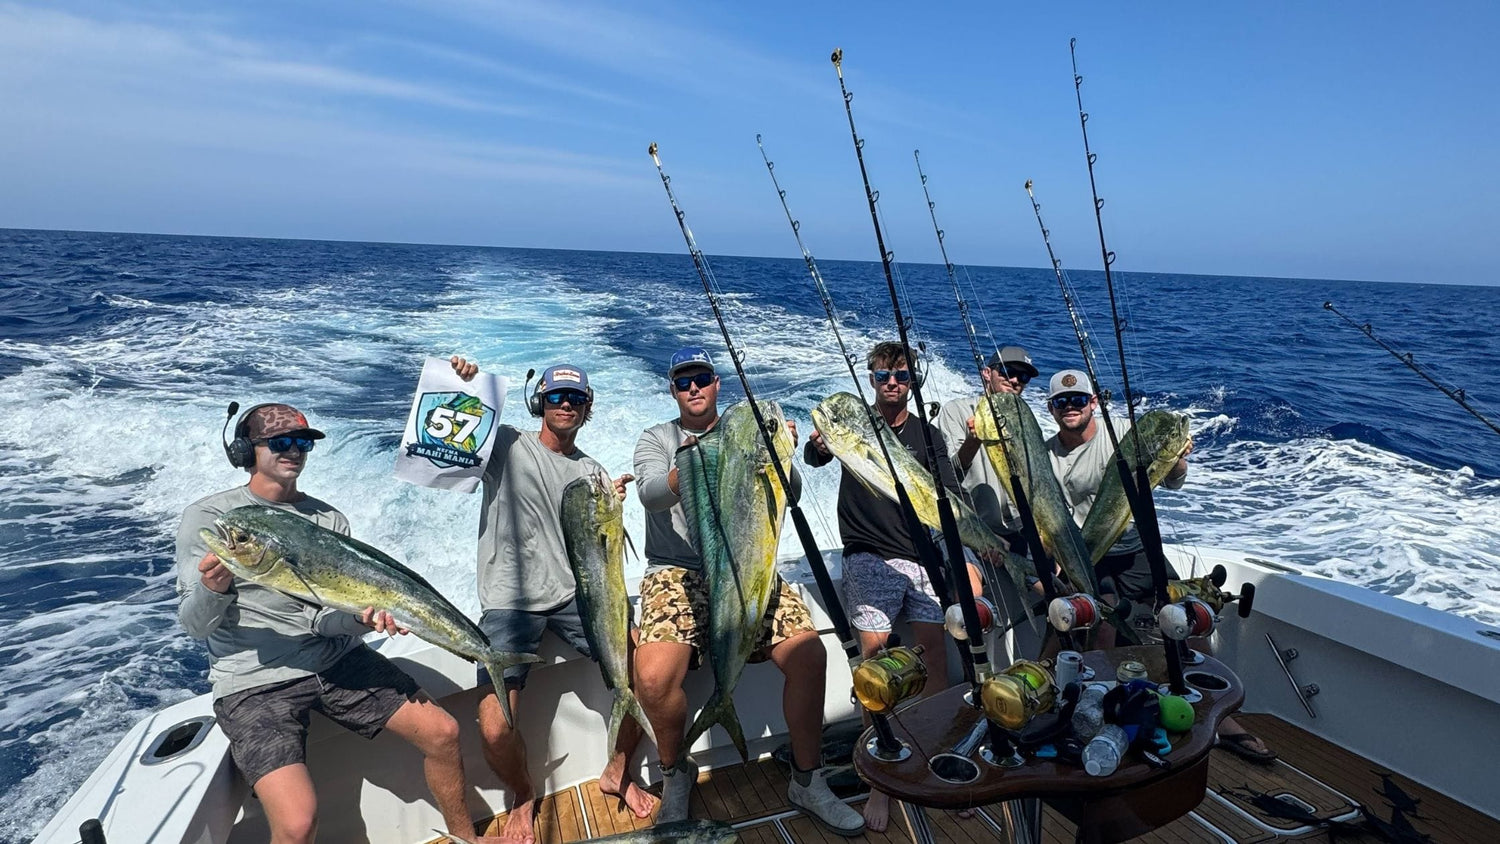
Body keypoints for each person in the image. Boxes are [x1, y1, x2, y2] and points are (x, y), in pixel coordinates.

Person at [176, 403, 502, 844]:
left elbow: (325, 621)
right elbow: (195, 626)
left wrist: (363, 621)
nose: (294, 451)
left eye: (303, 443)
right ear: (246, 451)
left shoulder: (328, 520)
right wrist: (213, 589)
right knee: (297, 823)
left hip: (336, 659)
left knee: (443, 732)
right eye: (280, 443)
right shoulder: (211, 520)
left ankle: (468, 839)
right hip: (254, 679)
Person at [631, 347, 864, 836]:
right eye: (682, 382)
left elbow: (792, 491)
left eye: (701, 379)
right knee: (652, 677)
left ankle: (807, 778)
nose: (693, 388)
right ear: (673, 391)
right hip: (678, 572)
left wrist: (777, 452)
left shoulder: (754, 430)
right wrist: (694, 466)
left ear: (718, 385)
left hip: (748, 565)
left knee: (809, 657)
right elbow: (650, 493)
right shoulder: (658, 438)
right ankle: (676, 774)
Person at [449, 357, 655, 844]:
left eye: (576, 398)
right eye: (557, 397)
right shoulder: (505, 446)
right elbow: (454, 436)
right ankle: (522, 795)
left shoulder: (593, 471)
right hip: (509, 602)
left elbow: (598, 556)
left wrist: (610, 507)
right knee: (496, 728)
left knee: (648, 674)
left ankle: (618, 769)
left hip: (576, 596)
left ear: (587, 408)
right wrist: (465, 385)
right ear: (539, 402)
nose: (566, 404)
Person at [1043, 369, 1275, 764]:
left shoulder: (1124, 435)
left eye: (1079, 399)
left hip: (1136, 544)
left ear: (1093, 402)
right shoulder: (1047, 453)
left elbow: (1172, 481)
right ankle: (1102, 716)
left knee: (1187, 612)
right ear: (1051, 408)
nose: (1071, 407)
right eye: (1062, 402)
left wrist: (1179, 461)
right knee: (1104, 619)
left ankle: (1214, 715)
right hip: (1089, 552)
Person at [804, 341, 968, 832]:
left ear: (912, 381)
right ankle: (882, 777)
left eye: (900, 376)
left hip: (921, 558)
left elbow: (947, 496)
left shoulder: (928, 436)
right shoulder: (855, 428)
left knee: (934, 659)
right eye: (882, 376)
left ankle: (932, 759)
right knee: (877, 664)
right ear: (871, 381)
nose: (892, 383)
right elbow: (816, 458)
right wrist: (818, 446)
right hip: (869, 556)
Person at [935, 345, 1041, 554]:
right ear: (986, 373)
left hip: (1023, 532)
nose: (1015, 380)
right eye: (1007, 372)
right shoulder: (956, 411)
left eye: (1023, 377)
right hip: (975, 531)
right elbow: (950, 476)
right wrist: (973, 441)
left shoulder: (1026, 423)